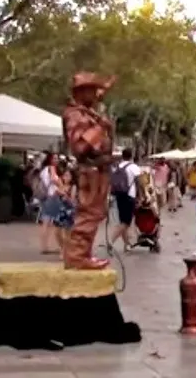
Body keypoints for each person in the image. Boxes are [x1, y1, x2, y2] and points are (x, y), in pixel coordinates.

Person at [61, 71, 116, 270]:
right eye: (91, 91)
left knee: (95, 213)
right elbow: (80, 147)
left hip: (98, 171)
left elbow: (97, 97)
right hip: (90, 171)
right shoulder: (74, 114)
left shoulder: (85, 110)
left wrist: (105, 87)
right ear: (81, 93)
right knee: (89, 213)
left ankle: (82, 254)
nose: (96, 95)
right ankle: (77, 256)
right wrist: (100, 127)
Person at [110, 148, 142, 251]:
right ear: (131, 156)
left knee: (123, 220)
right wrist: (140, 196)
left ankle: (126, 244)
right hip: (129, 196)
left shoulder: (118, 166)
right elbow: (138, 182)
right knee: (126, 222)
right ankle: (111, 240)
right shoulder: (134, 167)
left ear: (122, 156)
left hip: (119, 195)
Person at [37, 152, 62, 254]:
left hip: (46, 196)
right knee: (56, 222)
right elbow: (53, 179)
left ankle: (44, 246)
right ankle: (59, 245)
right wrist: (61, 183)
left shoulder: (43, 170)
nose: (57, 160)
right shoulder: (51, 168)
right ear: (50, 159)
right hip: (53, 196)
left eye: (57, 158)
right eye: (55, 158)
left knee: (45, 222)